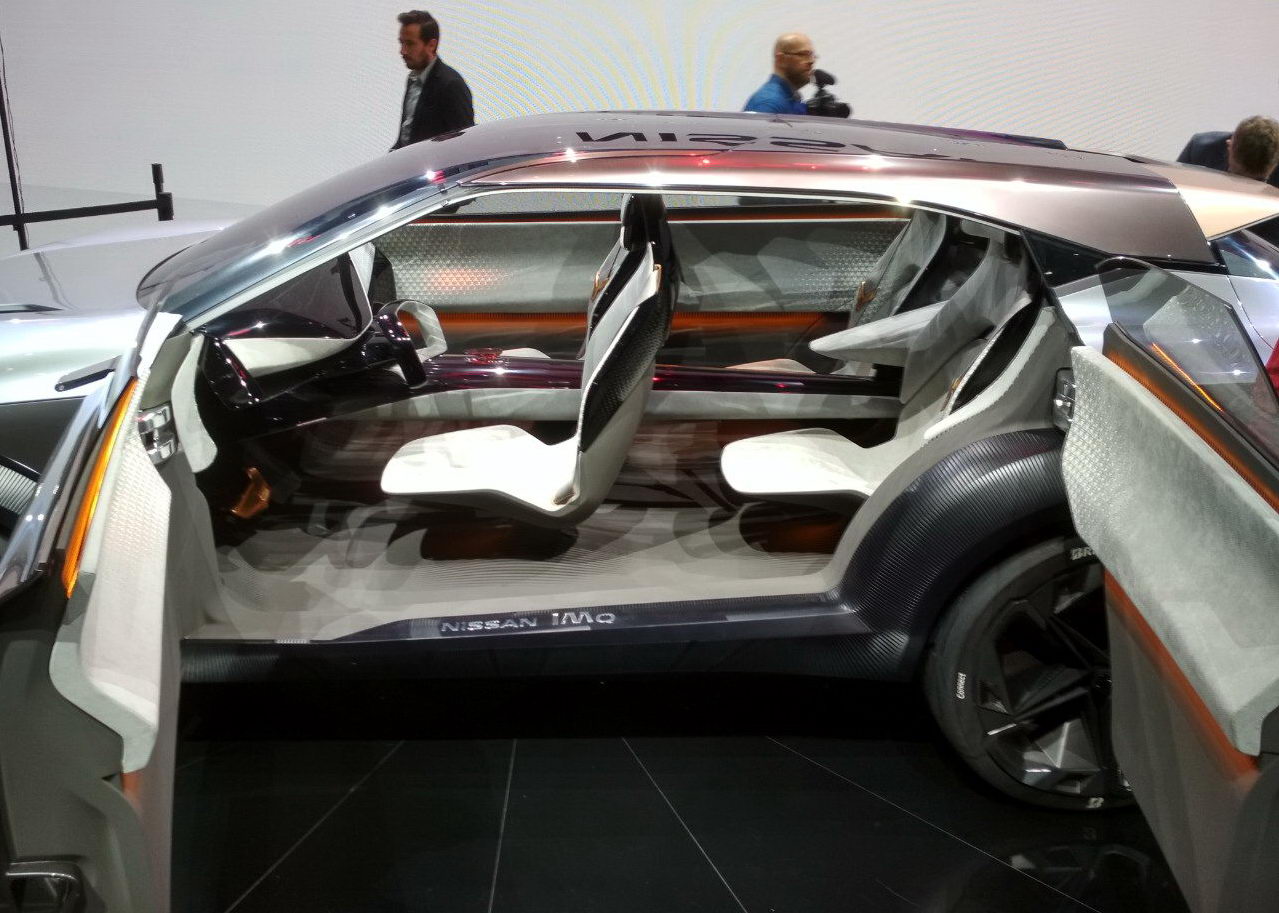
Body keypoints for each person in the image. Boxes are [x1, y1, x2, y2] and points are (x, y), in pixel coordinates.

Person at [391, 10, 474, 151]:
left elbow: (464, 146)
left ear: (431, 45)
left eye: (410, 44)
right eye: (401, 43)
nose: (402, 51)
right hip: (408, 162)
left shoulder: (451, 85)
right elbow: (406, 137)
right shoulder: (412, 80)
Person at [1177, 115, 1279, 188]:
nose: (1244, 187)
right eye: (1237, 176)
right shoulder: (1199, 149)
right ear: (1229, 145)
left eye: (1259, 180)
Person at [743, 33, 816, 115]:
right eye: (803, 54)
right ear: (780, 59)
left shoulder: (789, 98)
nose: (811, 61)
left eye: (811, 55)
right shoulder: (769, 103)